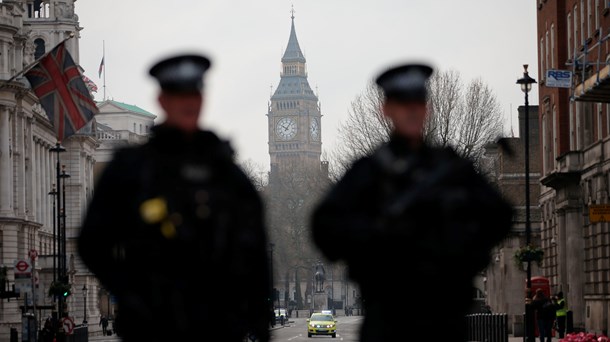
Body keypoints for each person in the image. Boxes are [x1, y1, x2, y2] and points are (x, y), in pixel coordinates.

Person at [310, 63, 514, 342]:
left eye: (418, 103)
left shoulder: (451, 168)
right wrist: (373, 241)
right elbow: (323, 227)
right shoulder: (369, 172)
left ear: (427, 109)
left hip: (445, 313)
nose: (412, 111)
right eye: (402, 104)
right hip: (388, 313)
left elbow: (500, 216)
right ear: (387, 110)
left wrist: (463, 251)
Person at [78, 53, 271, 342]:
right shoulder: (132, 169)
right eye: (179, 95)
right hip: (154, 326)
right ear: (163, 101)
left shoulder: (225, 172)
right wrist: (132, 293)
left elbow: (256, 251)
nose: (188, 103)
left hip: (217, 326)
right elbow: (92, 243)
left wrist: (257, 321)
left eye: (194, 95)